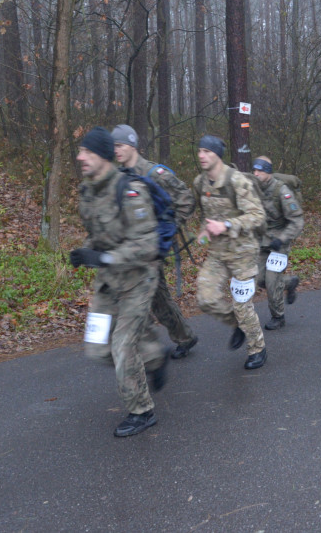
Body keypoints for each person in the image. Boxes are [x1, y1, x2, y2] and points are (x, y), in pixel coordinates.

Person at [70, 127, 168, 438]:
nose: (80, 157)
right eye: (80, 151)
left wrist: (108, 258)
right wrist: (88, 252)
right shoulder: (87, 191)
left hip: (138, 282)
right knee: (97, 350)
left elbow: (147, 245)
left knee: (122, 348)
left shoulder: (130, 191)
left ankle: (142, 411)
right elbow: (99, 234)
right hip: (108, 284)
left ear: (102, 156)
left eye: (86, 152)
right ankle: (154, 356)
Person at [112, 125, 198, 360]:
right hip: (130, 248)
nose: (115, 150)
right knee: (155, 298)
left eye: (119, 145)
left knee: (153, 299)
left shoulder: (154, 174)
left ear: (132, 145)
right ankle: (182, 337)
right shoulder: (118, 175)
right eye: (113, 146)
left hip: (151, 248)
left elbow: (186, 200)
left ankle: (147, 350)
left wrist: (167, 231)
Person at [192, 135, 268, 370]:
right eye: (200, 151)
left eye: (207, 151)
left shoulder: (237, 181)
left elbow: (257, 215)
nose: (202, 155)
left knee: (242, 304)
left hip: (243, 252)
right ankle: (238, 325)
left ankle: (257, 347)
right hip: (218, 251)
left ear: (217, 155)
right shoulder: (200, 182)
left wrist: (226, 225)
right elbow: (206, 214)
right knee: (206, 298)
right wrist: (204, 231)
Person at [251, 156, 304, 331]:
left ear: (268, 172)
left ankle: (278, 316)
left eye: (260, 170)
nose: (256, 173)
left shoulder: (282, 191)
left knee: (272, 281)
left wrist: (281, 239)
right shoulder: (254, 189)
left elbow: (297, 220)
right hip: (261, 242)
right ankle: (289, 283)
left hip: (279, 242)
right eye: (255, 170)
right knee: (259, 279)